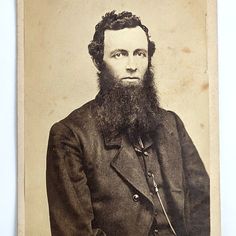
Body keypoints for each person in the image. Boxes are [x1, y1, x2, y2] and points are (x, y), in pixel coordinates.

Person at [46, 11, 210, 236]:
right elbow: (75, 232)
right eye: (119, 55)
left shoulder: (172, 124)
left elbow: (201, 203)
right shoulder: (70, 135)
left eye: (140, 54)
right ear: (98, 61)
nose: (132, 65)